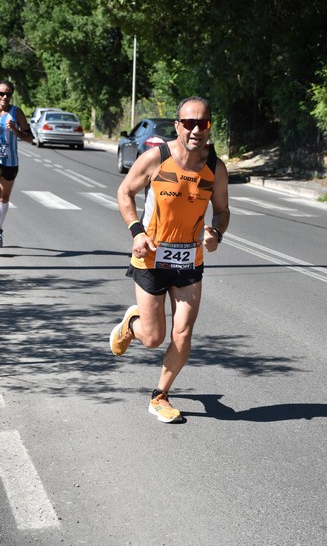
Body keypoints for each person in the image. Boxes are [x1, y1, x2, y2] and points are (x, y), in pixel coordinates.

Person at [110, 96, 230, 423]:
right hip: (151, 258)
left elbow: (221, 211)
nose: (195, 130)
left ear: (209, 126)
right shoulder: (156, 158)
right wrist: (137, 232)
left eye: (202, 123)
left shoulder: (215, 168)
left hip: (190, 261)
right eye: (188, 123)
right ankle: (132, 325)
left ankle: (160, 395)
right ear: (177, 125)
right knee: (152, 338)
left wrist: (216, 234)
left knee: (183, 333)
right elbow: (125, 192)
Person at [0, 80, 33, 247]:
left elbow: (30, 138)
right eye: (1, 94)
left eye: (8, 94)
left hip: (9, 161)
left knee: (3, 198)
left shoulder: (16, 112)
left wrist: (15, 130)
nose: (5, 97)